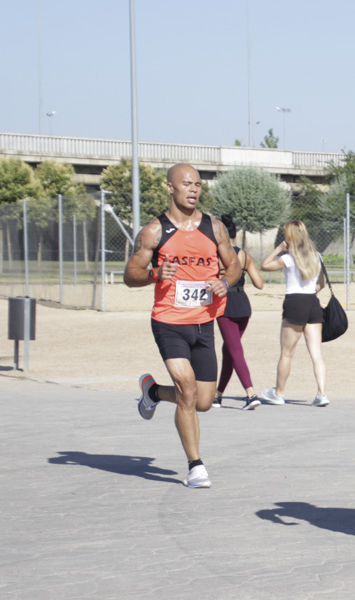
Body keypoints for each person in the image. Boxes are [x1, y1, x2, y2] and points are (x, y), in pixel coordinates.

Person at [123, 163, 242, 489]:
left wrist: (224, 282)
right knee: (187, 391)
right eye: (187, 184)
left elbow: (234, 266)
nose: (194, 189)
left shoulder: (214, 228)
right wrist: (153, 275)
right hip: (169, 322)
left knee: (202, 401)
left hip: (204, 323)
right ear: (170, 188)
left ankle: (152, 391)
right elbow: (129, 275)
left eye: (198, 185)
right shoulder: (153, 232)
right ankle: (196, 466)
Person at [258, 220, 330, 407]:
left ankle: (279, 393)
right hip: (312, 302)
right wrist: (311, 293)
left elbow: (264, 266)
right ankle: (322, 393)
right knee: (316, 353)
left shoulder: (288, 258)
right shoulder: (317, 256)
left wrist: (279, 249)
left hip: (295, 302)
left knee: (287, 353)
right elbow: (321, 284)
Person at [213, 214, 265, 410]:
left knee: (234, 351)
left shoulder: (217, 256)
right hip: (243, 304)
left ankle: (251, 394)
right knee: (229, 350)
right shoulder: (245, 256)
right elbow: (259, 284)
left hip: (225, 305)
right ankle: (218, 396)